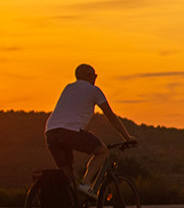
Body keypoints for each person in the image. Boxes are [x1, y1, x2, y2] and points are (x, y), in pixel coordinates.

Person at [45, 63, 137, 198]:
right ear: (88, 75)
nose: (95, 78)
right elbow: (110, 116)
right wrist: (127, 137)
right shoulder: (94, 90)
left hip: (50, 132)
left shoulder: (68, 88)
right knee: (102, 151)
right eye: (95, 75)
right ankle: (86, 183)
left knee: (66, 173)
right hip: (71, 131)